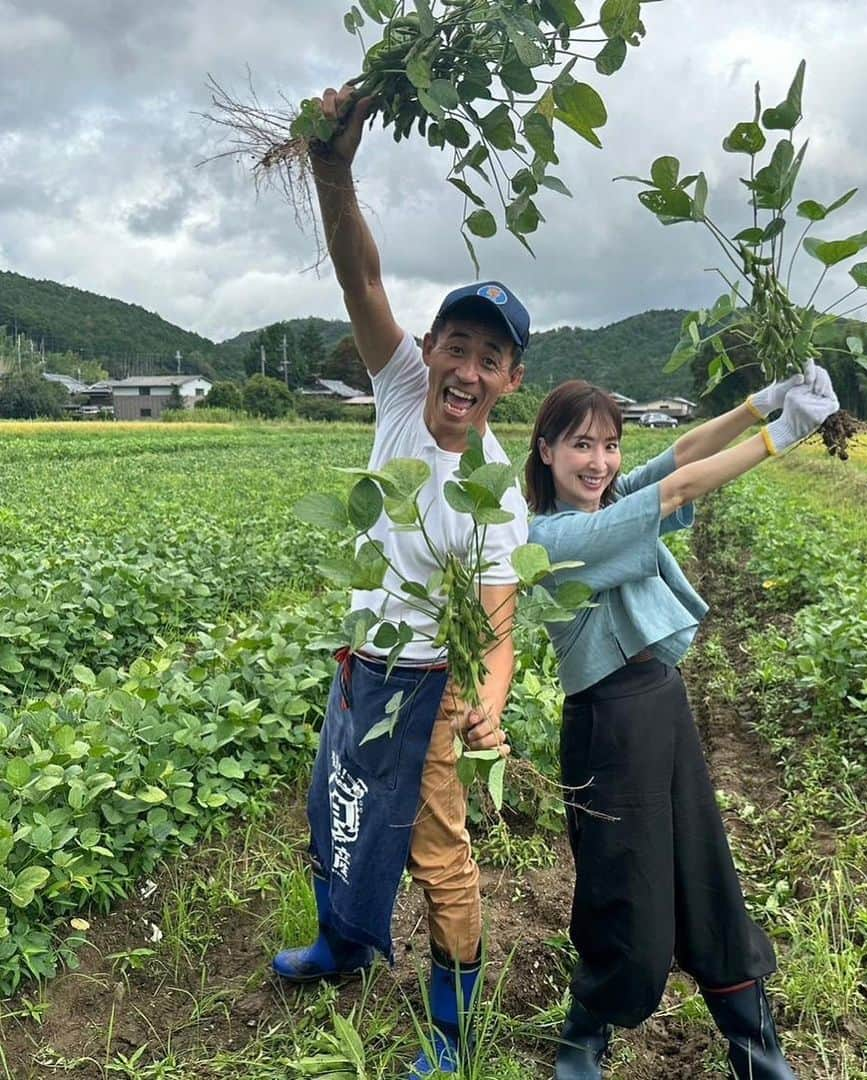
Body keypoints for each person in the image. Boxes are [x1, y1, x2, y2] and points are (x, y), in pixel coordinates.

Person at [271, 88, 528, 1079]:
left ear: (510, 382)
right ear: (430, 351)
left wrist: (490, 703)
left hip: (432, 683)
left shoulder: (499, 491)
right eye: (457, 344)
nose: (466, 367)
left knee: (436, 854)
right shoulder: (401, 386)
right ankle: (341, 948)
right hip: (360, 665)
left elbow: (498, 623)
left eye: (490, 357)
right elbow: (361, 276)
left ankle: (452, 1032)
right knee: (339, 802)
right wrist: (333, 171)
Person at [524, 368, 839, 1079]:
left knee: (706, 880)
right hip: (608, 729)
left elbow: (682, 456)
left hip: (664, 706)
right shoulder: (554, 536)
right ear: (545, 450)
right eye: (581, 445)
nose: (600, 462)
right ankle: (587, 1031)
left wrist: (759, 402)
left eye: (610, 445)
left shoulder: (608, 500)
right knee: (625, 898)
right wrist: (784, 433)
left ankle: (755, 1048)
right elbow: (682, 489)